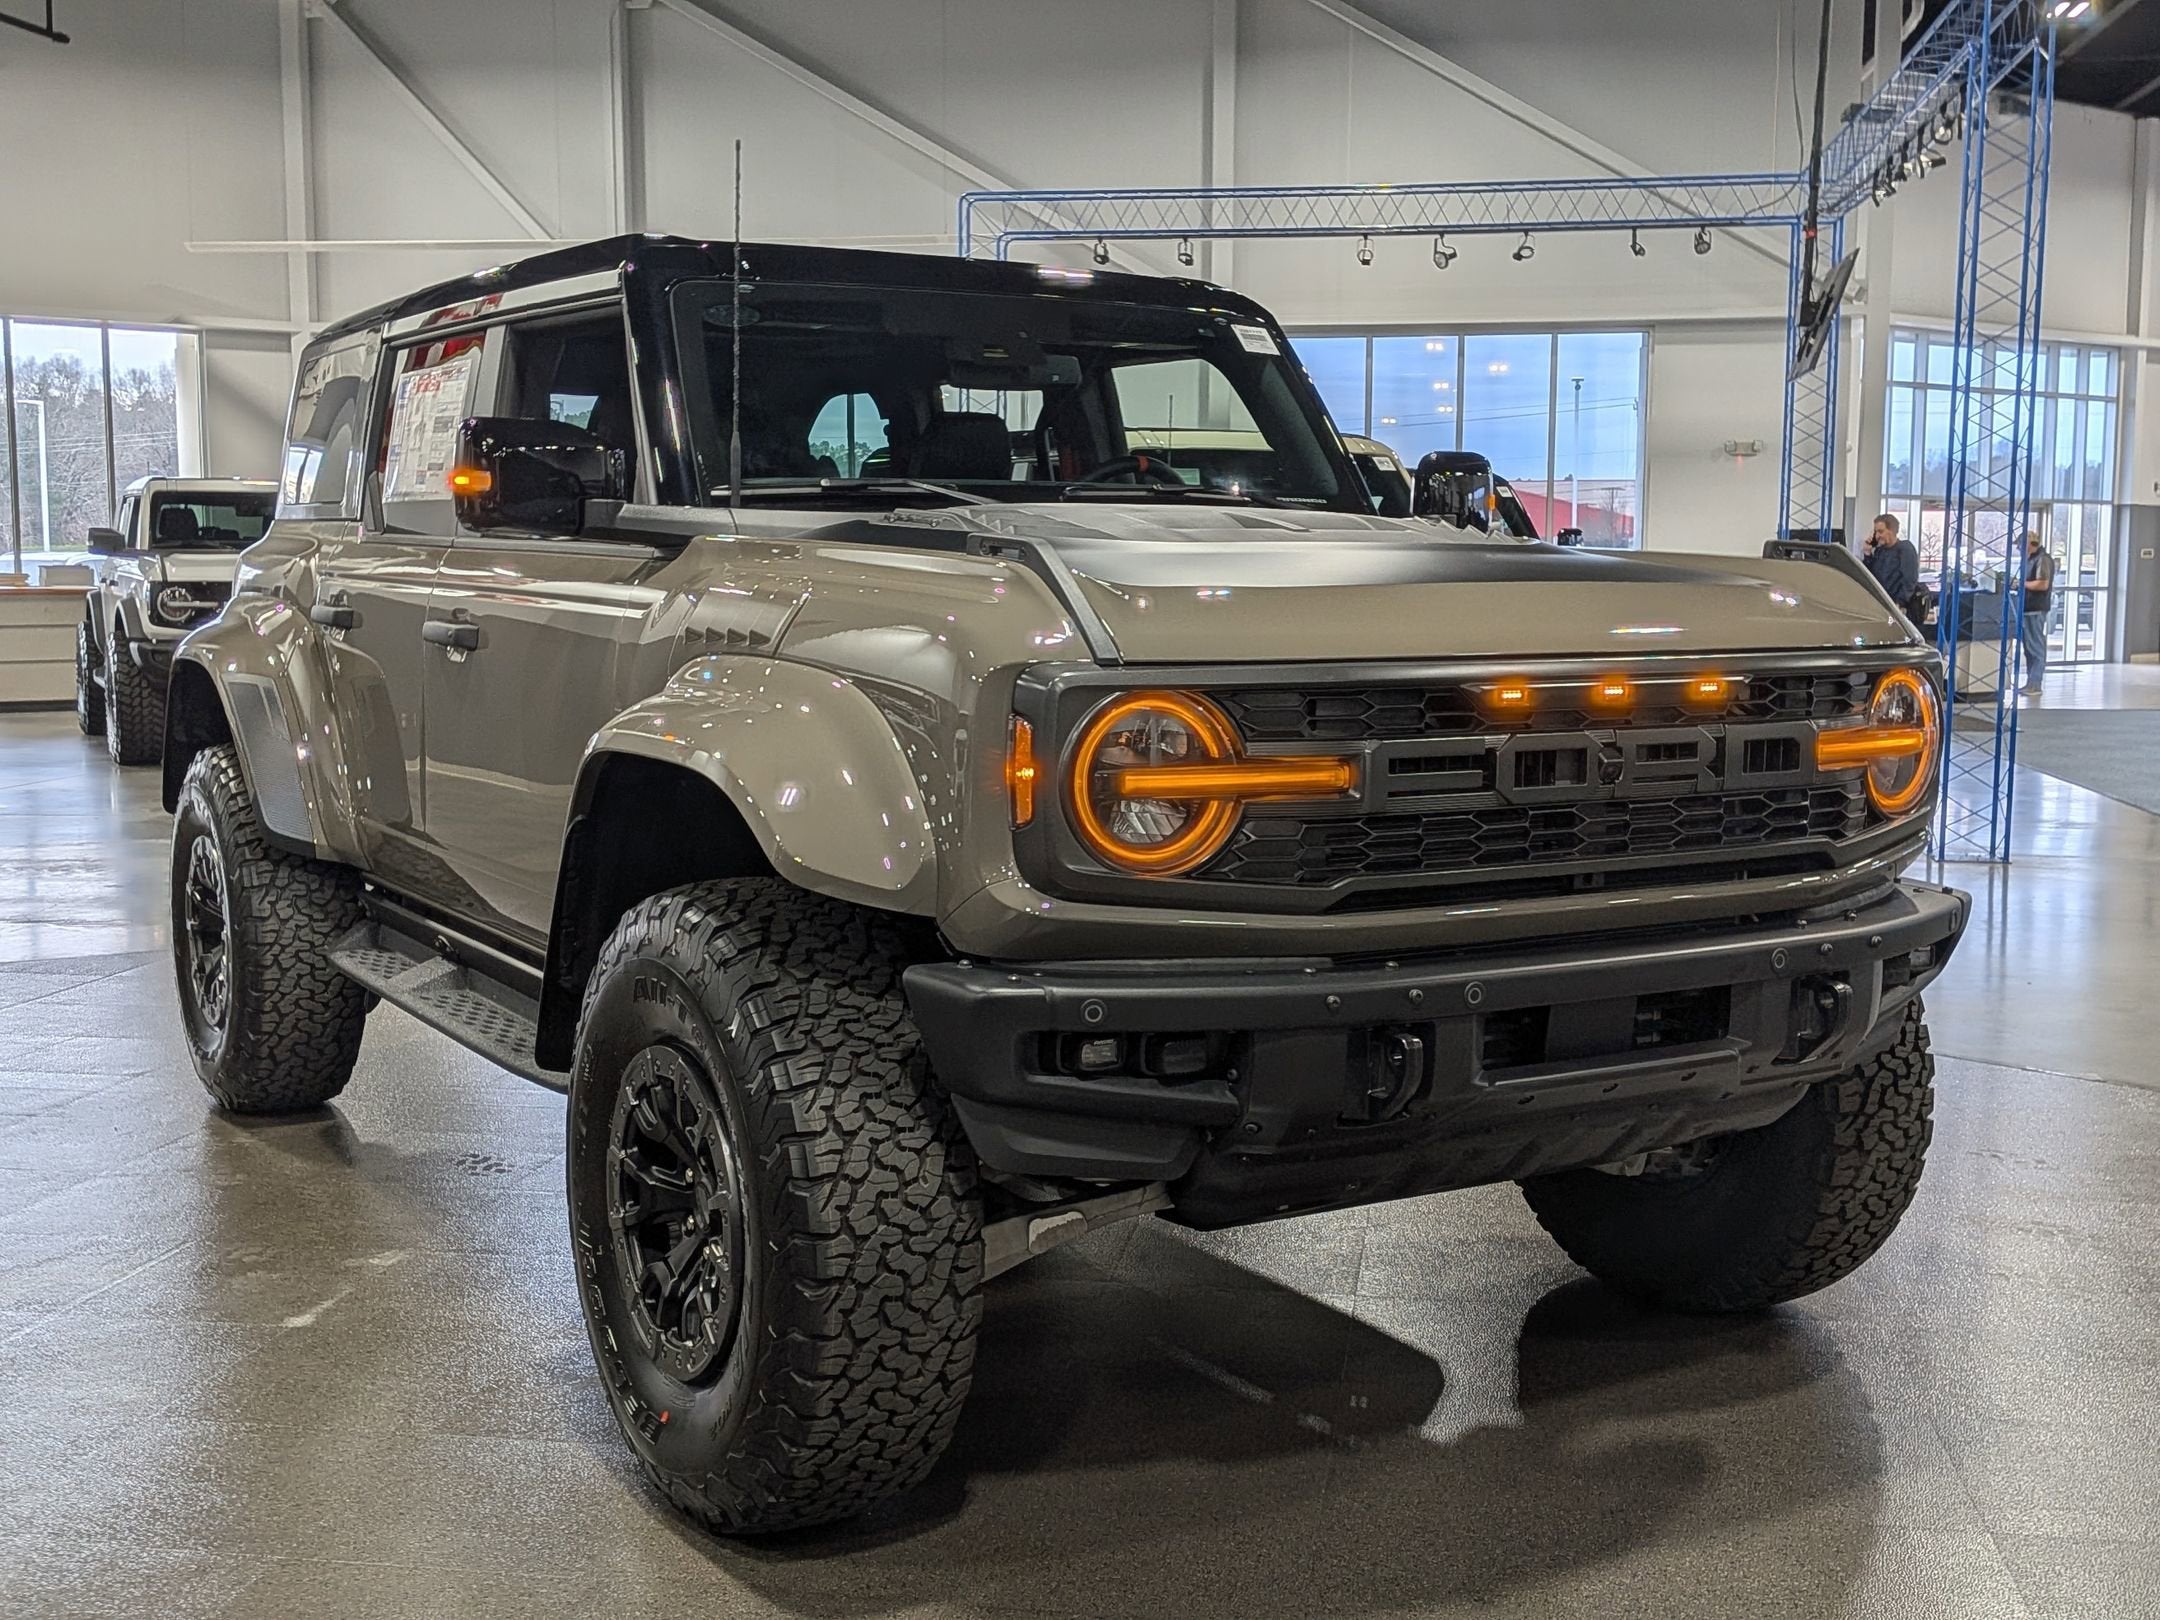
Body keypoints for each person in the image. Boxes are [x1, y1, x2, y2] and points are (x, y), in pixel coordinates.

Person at [1862, 512, 1922, 621]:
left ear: (1892, 531)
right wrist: (1867, 554)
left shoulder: (1905, 549)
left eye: (1881, 531)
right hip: (1880, 606)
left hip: (1897, 607)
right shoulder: (1880, 551)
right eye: (1876, 532)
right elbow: (1869, 576)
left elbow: (1909, 579)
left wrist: (1900, 603)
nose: (1877, 535)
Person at [2020, 532, 2055, 695]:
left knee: (2035, 647)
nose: (2019, 547)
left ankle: (2035, 684)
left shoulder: (2042, 560)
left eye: (2021, 544)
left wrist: (2021, 584)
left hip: (2035, 609)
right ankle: (2031, 683)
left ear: (2030, 543)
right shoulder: (2031, 559)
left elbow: (2042, 584)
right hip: (2028, 608)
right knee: (2029, 648)